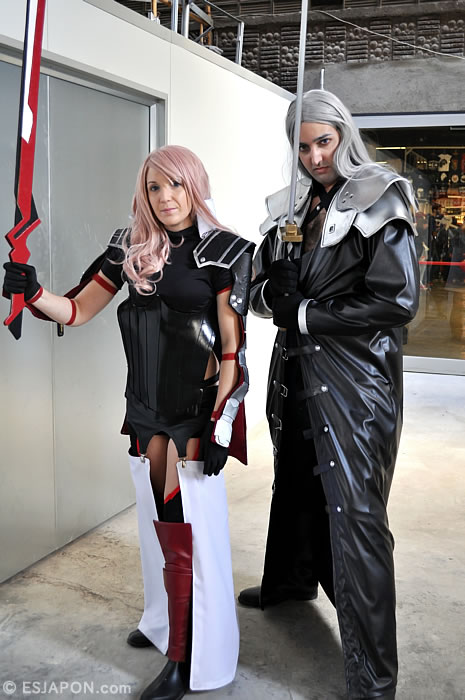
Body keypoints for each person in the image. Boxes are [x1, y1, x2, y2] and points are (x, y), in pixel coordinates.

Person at [3, 145, 255, 700]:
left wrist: (220, 425)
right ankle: (163, 622)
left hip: (191, 418)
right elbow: (77, 310)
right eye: (154, 187)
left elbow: (232, 350)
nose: (165, 197)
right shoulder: (130, 249)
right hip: (143, 412)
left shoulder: (227, 252)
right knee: (154, 527)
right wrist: (32, 291)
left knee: (186, 535)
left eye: (176, 185)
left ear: (195, 185)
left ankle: (189, 659)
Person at [238, 90, 419, 700]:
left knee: (357, 513)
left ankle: (373, 678)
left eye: (324, 141)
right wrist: (276, 292)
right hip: (295, 371)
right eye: (304, 146)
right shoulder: (292, 206)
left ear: (344, 134)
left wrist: (306, 312)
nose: (315, 157)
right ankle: (291, 580)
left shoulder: (380, 195)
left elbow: (397, 301)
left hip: (355, 381)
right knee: (294, 477)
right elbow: (257, 292)